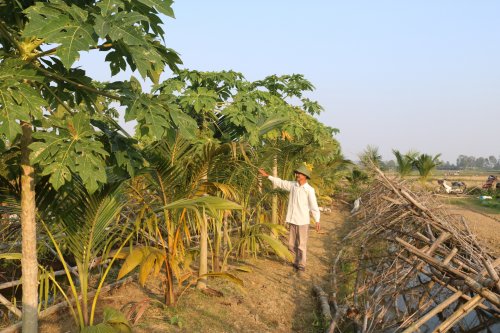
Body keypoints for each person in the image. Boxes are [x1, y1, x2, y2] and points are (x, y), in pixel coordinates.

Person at [258, 164, 320, 272]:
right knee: (291, 243)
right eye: (297, 173)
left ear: (305, 176)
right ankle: (294, 261)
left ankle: (301, 264)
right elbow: (281, 182)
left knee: (301, 244)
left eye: (299, 174)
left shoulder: (309, 190)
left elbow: (314, 206)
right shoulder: (293, 185)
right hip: (292, 219)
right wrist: (267, 176)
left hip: (303, 221)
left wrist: (317, 220)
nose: (297, 175)